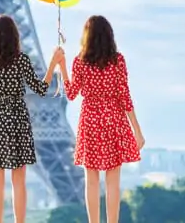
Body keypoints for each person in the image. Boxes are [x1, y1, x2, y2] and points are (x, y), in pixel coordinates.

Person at [0, 14, 63, 223]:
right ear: (14, 36)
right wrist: (53, 64)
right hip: (17, 121)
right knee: (19, 179)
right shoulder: (21, 60)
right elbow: (41, 89)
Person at [58, 15, 145, 223]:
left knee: (91, 180)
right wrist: (137, 132)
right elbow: (125, 97)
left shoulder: (80, 61)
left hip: (90, 120)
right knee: (113, 180)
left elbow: (70, 94)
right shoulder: (118, 61)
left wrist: (62, 65)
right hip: (114, 118)